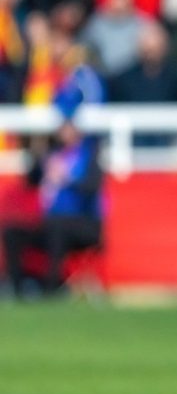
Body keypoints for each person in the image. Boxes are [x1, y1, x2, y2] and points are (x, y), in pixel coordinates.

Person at [2, 66, 104, 297]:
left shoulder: (89, 154)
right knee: (12, 232)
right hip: (51, 223)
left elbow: (92, 187)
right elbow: (30, 180)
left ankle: (52, 287)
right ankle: (18, 287)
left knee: (57, 227)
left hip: (84, 224)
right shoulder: (52, 153)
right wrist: (40, 158)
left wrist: (66, 178)